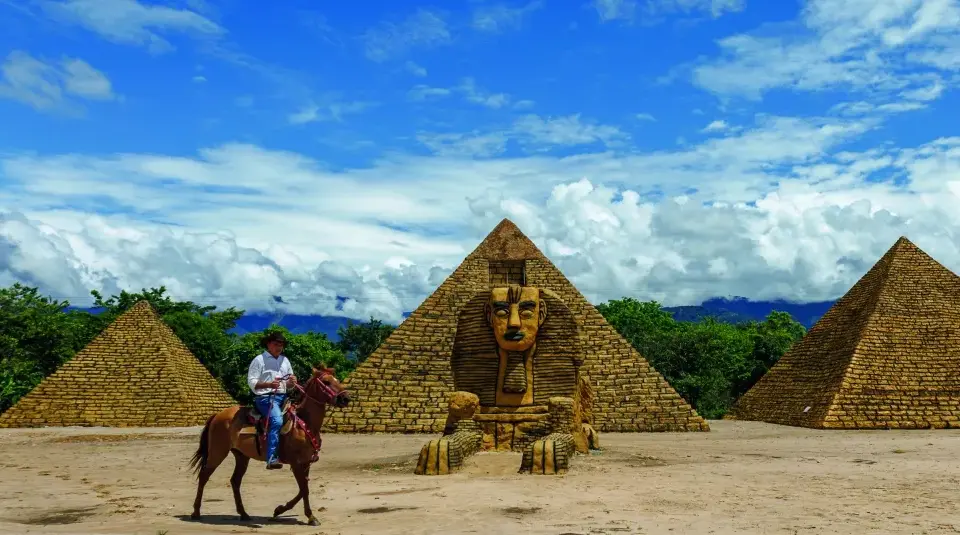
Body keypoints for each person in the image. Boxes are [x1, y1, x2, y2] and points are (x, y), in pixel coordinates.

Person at [247, 331, 297, 469]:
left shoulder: (285, 360)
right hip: (266, 398)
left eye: (281, 344)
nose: (279, 347)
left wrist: (293, 381)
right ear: (268, 344)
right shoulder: (259, 360)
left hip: (283, 397)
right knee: (277, 421)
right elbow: (251, 382)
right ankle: (271, 458)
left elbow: (289, 384)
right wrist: (269, 384)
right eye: (276, 344)